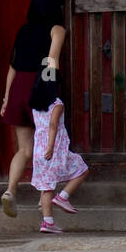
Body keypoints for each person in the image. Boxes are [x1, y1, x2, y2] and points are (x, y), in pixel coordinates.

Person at [0, 0, 66, 218]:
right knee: (48, 144)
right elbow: (52, 61)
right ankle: (42, 200)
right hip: (39, 86)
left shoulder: (23, 31)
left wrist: (7, 98)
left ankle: (10, 191)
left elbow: (12, 67)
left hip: (17, 87)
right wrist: (49, 92)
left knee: (25, 149)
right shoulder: (56, 29)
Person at [28, 62, 88, 234]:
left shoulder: (35, 106)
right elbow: (53, 125)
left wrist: (44, 148)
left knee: (47, 186)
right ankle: (63, 196)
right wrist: (51, 147)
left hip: (38, 150)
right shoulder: (57, 104)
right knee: (82, 168)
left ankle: (47, 222)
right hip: (53, 148)